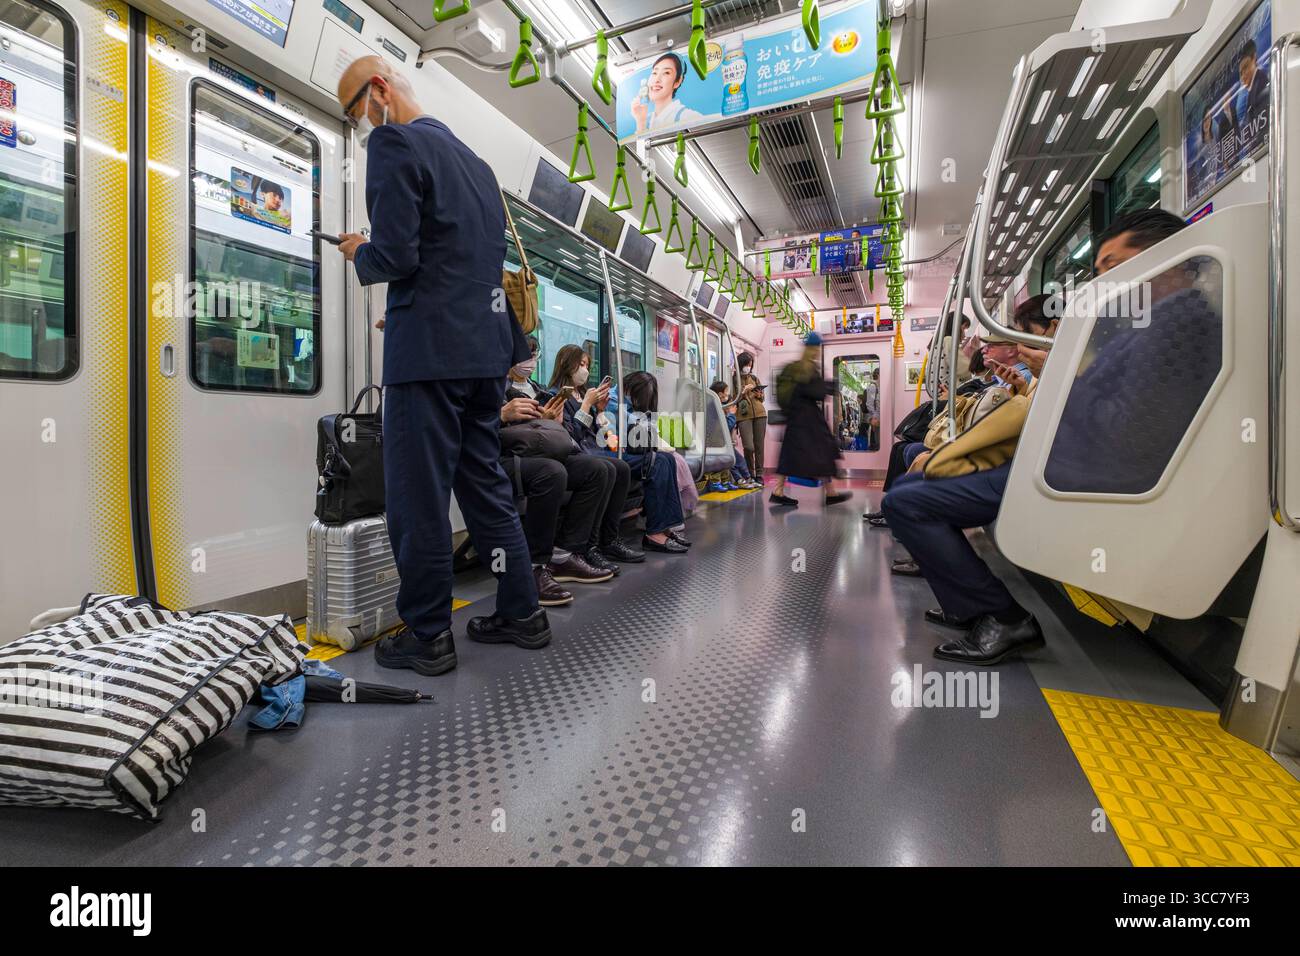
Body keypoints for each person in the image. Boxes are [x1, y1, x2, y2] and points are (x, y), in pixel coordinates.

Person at [333, 55, 548, 677]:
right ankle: (521, 610)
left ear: (377, 91)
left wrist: (359, 252)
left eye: (354, 112)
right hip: (483, 361)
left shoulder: (393, 141)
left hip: (425, 361)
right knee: (485, 490)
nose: (359, 125)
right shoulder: (478, 167)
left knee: (418, 500)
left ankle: (428, 634)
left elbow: (397, 256)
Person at [500, 350, 615, 606]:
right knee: (553, 472)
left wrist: (552, 420)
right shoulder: (497, 389)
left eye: (533, 355)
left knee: (597, 469)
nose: (529, 362)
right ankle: (536, 563)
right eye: (580, 364)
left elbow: (573, 433)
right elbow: (576, 432)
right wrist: (504, 415)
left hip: (547, 447)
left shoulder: (541, 391)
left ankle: (567, 552)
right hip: (514, 452)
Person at [547, 345, 646, 570]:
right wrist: (587, 405)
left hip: (592, 451)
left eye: (587, 366)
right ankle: (585, 546)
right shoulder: (556, 395)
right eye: (580, 364)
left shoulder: (583, 396)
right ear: (566, 365)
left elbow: (601, 437)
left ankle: (608, 540)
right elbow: (572, 436)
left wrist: (599, 411)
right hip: (573, 455)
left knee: (620, 467)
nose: (584, 370)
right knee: (606, 468)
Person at [769, 332, 852, 508]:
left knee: (791, 454)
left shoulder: (794, 368)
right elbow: (815, 392)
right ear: (813, 348)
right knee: (823, 452)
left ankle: (779, 490)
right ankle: (829, 493)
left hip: (796, 418)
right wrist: (830, 387)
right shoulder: (807, 368)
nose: (817, 352)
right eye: (816, 348)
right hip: (808, 420)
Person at [617, 371, 691, 553]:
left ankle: (666, 526)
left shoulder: (634, 404)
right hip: (617, 453)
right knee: (656, 463)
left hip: (631, 450)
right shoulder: (614, 398)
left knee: (669, 459)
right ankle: (654, 533)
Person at [630, 53, 706, 136]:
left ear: (678, 81)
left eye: (666, 73)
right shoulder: (646, 119)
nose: (657, 80)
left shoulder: (689, 116)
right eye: (654, 73)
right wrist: (641, 122)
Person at [734, 351, 768, 483]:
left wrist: (759, 394)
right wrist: (743, 392)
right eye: (747, 364)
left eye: (751, 364)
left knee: (759, 446)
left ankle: (759, 474)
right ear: (741, 364)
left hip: (760, 414)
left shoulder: (754, 378)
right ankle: (750, 472)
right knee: (749, 446)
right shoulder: (733, 379)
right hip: (743, 416)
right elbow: (732, 399)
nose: (749, 366)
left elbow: (762, 398)